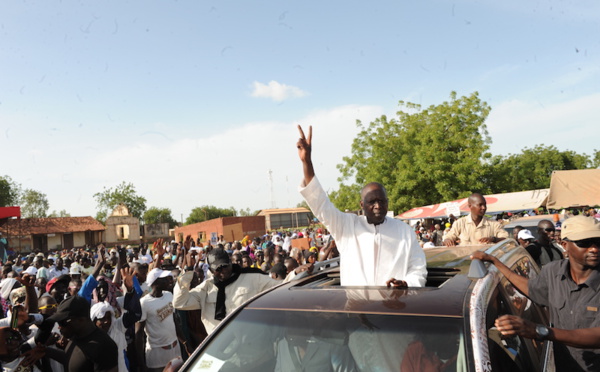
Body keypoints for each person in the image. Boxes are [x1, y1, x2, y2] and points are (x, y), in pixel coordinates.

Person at [296, 125, 426, 287]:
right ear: (362, 205)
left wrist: (407, 283)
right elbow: (320, 203)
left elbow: (418, 269)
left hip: (395, 307)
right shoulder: (347, 226)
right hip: (357, 308)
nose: (378, 205)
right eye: (372, 202)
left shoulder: (404, 231)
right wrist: (307, 162)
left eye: (382, 201)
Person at [471, 215, 600, 371]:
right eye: (584, 243)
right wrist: (496, 263)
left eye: (598, 242)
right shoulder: (553, 272)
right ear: (565, 245)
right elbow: (532, 289)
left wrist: (540, 331)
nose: (594, 249)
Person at [173, 248, 309, 334]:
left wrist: (295, 273)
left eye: (224, 267)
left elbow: (280, 286)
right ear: (211, 271)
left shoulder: (252, 278)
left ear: (231, 263)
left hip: (250, 348)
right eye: (217, 269)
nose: (222, 272)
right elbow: (180, 302)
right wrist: (188, 271)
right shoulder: (206, 288)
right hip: (219, 349)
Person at [47, 295, 119, 372]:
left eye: (63, 322)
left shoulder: (104, 346)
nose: (59, 327)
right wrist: (47, 351)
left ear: (81, 320)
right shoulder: (76, 335)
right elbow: (75, 362)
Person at [443, 193, 509, 246]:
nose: (483, 208)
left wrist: (494, 239)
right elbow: (449, 237)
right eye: (480, 205)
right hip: (466, 261)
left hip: (486, 262)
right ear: (470, 206)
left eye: (484, 205)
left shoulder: (494, 224)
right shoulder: (460, 223)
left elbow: (506, 240)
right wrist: (447, 241)